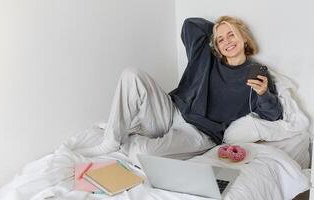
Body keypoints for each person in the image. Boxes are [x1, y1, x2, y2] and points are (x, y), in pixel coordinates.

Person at [76, 16, 283, 162]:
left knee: (143, 152)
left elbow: (273, 115)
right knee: (131, 74)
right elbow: (189, 25)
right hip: (171, 111)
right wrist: (218, 27)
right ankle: (110, 142)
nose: (227, 41)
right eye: (221, 39)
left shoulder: (256, 73)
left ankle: (133, 137)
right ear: (216, 45)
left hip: (199, 133)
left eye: (232, 35)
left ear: (244, 37)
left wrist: (264, 94)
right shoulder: (205, 55)